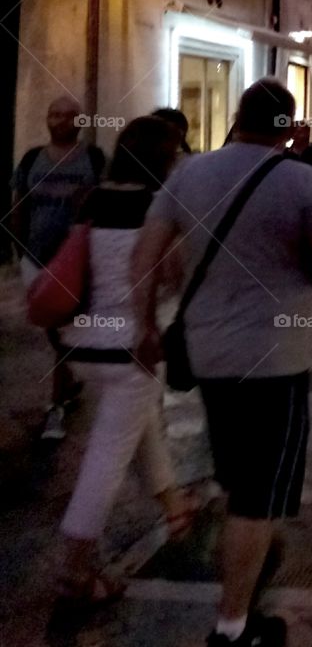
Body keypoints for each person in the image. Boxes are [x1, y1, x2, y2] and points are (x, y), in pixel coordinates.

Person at [133, 79, 312, 647]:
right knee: (259, 494)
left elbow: (148, 253)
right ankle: (232, 629)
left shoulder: (189, 173)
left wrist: (143, 324)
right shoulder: (301, 179)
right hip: (275, 358)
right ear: (287, 128)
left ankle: (248, 550)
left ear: (237, 118)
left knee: (237, 475)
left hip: (207, 355)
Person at [57, 117, 198, 607]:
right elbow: (174, 276)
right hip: (133, 346)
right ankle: (75, 569)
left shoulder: (93, 198)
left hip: (83, 343)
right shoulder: (160, 208)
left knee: (140, 429)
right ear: (163, 159)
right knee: (106, 458)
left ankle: (175, 508)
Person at [10, 95, 106, 440]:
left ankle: (56, 407)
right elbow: (20, 204)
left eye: (69, 115)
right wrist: (20, 251)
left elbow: (104, 206)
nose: (61, 120)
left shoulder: (93, 159)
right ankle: (70, 382)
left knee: (63, 331)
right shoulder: (32, 159)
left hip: (75, 260)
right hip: (36, 258)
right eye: (55, 114)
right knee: (54, 331)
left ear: (80, 121)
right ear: (47, 119)